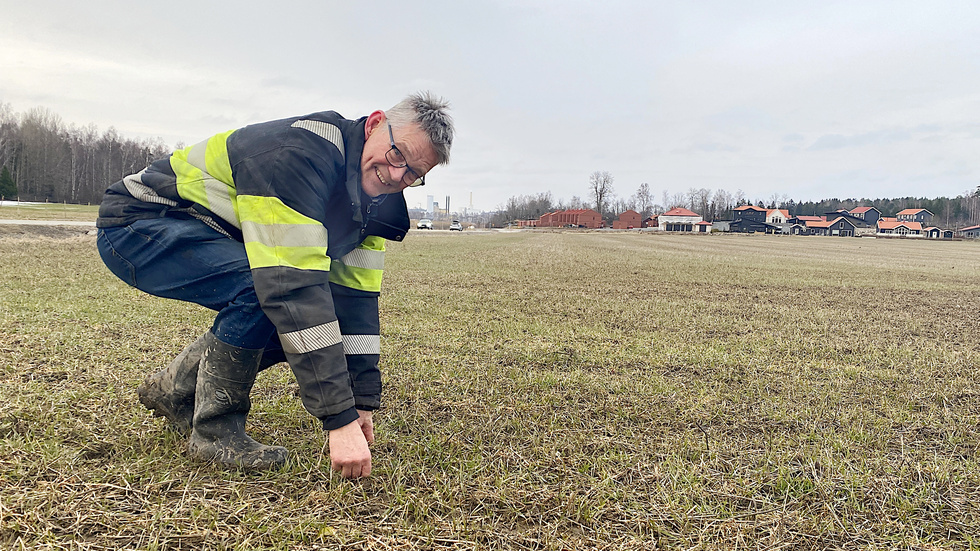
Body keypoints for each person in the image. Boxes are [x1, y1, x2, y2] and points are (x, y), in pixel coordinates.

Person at [95, 92, 454, 478]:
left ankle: (174, 392)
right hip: (141, 222)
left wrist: (361, 402)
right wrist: (339, 420)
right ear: (374, 124)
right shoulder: (300, 155)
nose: (398, 175)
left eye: (414, 174)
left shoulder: (373, 207)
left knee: (306, 318)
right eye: (398, 154)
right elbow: (289, 286)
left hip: (204, 234)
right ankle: (214, 432)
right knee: (268, 290)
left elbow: (356, 304)